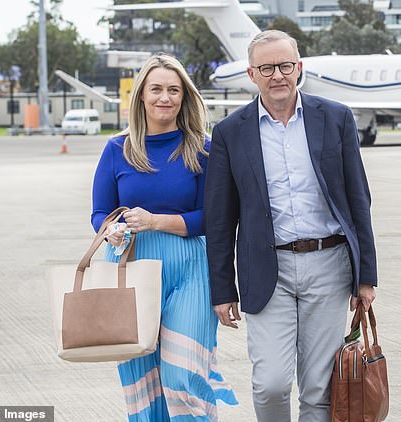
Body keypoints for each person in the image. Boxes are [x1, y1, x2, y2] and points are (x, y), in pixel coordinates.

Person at [204, 30, 378, 422]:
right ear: (252, 74)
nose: (277, 75)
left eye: (285, 66)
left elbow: (358, 201)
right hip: (268, 271)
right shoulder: (230, 132)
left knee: (319, 389)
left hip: (330, 265)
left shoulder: (335, 118)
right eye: (267, 68)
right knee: (271, 384)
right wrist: (222, 289)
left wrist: (366, 276)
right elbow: (219, 220)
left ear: (299, 68)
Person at [91, 54, 237, 421]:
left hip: (189, 270)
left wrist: (155, 221)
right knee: (141, 382)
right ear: (141, 95)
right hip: (130, 267)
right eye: (156, 89)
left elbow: (211, 217)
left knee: (182, 375)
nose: (165, 98)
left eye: (174, 90)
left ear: (184, 98)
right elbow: (99, 212)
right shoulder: (117, 149)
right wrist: (109, 230)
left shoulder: (202, 148)